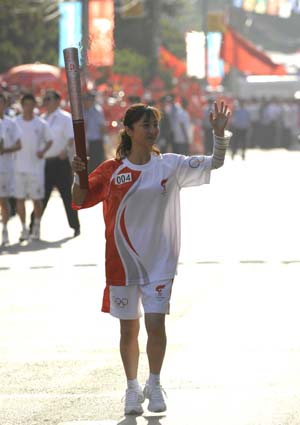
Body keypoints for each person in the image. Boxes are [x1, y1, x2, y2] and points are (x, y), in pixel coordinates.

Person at [71, 101, 231, 416]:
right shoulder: (111, 170)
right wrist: (77, 175)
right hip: (122, 263)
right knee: (128, 330)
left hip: (160, 262)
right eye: (145, 125)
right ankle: (132, 388)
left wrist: (219, 134)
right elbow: (79, 199)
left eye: (154, 125)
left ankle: (154, 383)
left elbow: (216, 162)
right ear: (128, 131)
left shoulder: (170, 166)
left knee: (156, 325)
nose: (152, 131)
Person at [30, 90, 80, 238]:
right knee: (42, 195)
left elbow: (71, 138)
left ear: (58, 101)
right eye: (45, 99)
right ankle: (33, 226)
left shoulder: (64, 117)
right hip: (45, 162)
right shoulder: (41, 118)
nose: (46, 102)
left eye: (49, 99)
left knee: (67, 195)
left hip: (60, 161)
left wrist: (65, 150)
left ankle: (75, 226)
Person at [15, 94, 53, 241]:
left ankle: (36, 226)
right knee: (20, 199)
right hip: (18, 167)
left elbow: (50, 140)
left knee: (37, 200)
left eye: (32, 104)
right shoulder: (15, 123)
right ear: (22, 105)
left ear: (34, 106)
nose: (29, 107)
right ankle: (23, 229)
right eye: (26, 104)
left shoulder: (41, 123)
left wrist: (43, 151)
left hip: (36, 168)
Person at [0, 93, 22, 245]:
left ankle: (5, 229)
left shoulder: (11, 123)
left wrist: (4, 150)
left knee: (3, 200)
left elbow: (19, 144)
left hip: (6, 167)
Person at [82, 91, 106, 173]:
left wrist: (103, 140)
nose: (85, 102)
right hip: (85, 141)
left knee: (96, 164)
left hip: (95, 141)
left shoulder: (97, 111)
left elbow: (102, 127)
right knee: (86, 165)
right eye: (85, 100)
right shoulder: (82, 111)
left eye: (88, 100)